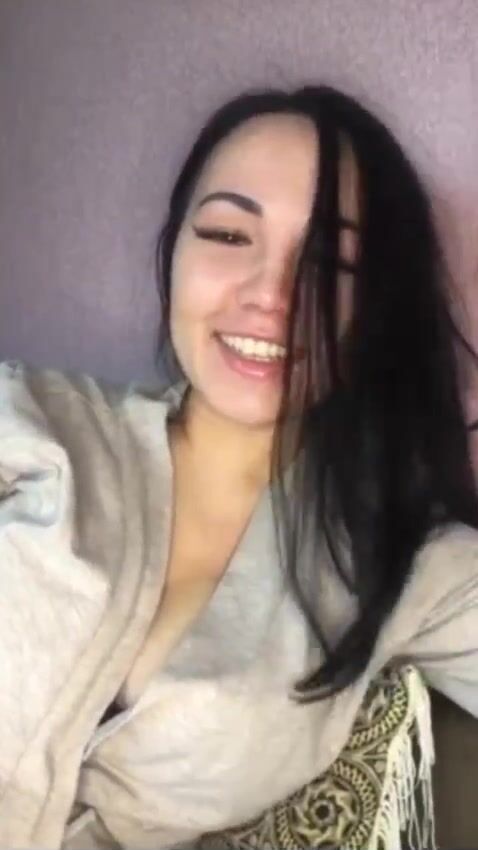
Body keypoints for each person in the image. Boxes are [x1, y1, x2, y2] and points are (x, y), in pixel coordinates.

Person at [1, 84, 478, 850]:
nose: (273, 295)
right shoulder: (34, 420)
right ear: (173, 252)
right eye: (228, 234)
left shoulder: (403, 563)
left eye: (332, 262)